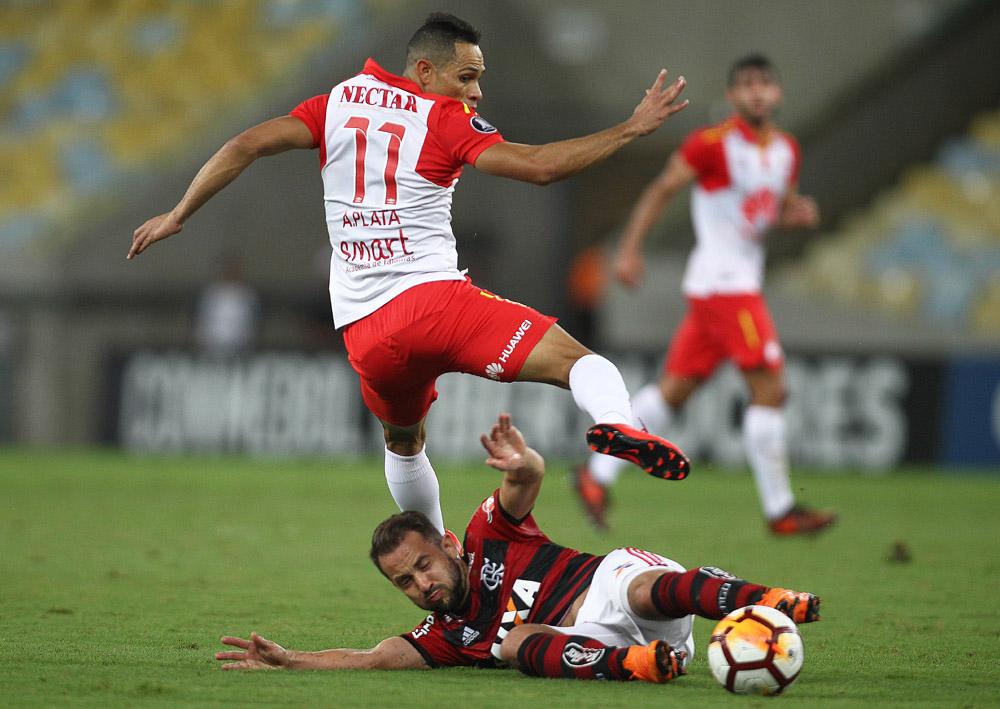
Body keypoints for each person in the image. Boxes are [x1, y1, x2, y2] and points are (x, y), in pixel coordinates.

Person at [128, 13, 694, 535]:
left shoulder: (338, 102)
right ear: (425, 71)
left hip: (366, 335)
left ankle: (437, 549)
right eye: (466, 76)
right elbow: (539, 167)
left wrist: (178, 213)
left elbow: (245, 143)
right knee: (580, 363)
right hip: (436, 306)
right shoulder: (444, 118)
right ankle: (619, 424)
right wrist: (629, 129)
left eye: (479, 79)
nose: (476, 91)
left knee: (403, 442)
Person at [215, 413, 821, 682]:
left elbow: (525, 479)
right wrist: (290, 660)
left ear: (449, 544)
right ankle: (641, 668)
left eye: (424, 564)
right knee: (513, 643)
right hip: (603, 650)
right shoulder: (445, 639)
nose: (422, 584)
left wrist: (523, 459)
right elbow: (371, 658)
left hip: (608, 586)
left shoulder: (488, 533)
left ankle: (770, 601)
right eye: (405, 582)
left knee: (642, 589)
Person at [574, 54, 836, 535]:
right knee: (772, 389)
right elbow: (661, 190)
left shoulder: (786, 151)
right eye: (746, 85)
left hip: (725, 287)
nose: (756, 92)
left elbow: (763, 212)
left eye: (764, 84)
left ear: (776, 93)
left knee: (674, 392)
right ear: (733, 96)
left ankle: (595, 476)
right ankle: (780, 509)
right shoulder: (711, 145)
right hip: (726, 287)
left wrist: (791, 214)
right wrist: (629, 251)